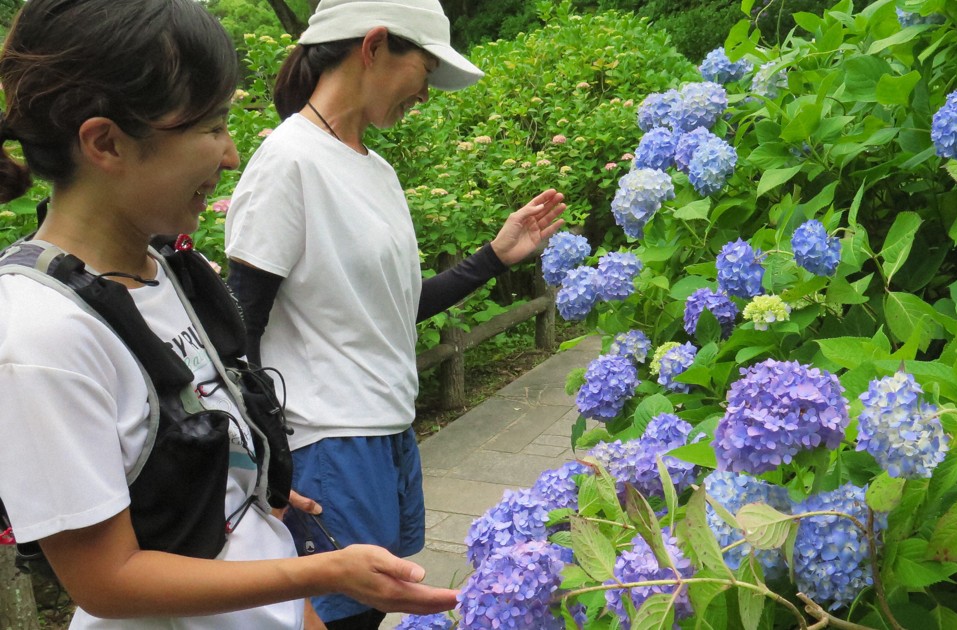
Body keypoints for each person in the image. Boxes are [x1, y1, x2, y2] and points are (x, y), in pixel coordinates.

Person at [0, 1, 458, 628]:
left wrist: (253, 489)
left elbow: (209, 468)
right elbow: (108, 581)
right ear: (106, 143)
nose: (232, 154)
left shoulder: (162, 272)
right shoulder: (39, 336)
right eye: (210, 127)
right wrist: (322, 572)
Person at [223, 0, 567, 627]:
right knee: (340, 620)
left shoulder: (373, 167)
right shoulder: (288, 161)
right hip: (325, 439)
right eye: (427, 71)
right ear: (374, 45)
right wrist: (261, 457)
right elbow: (237, 326)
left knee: (372, 613)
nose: (428, 95)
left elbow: (396, 309)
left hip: (388, 429)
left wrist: (494, 256)